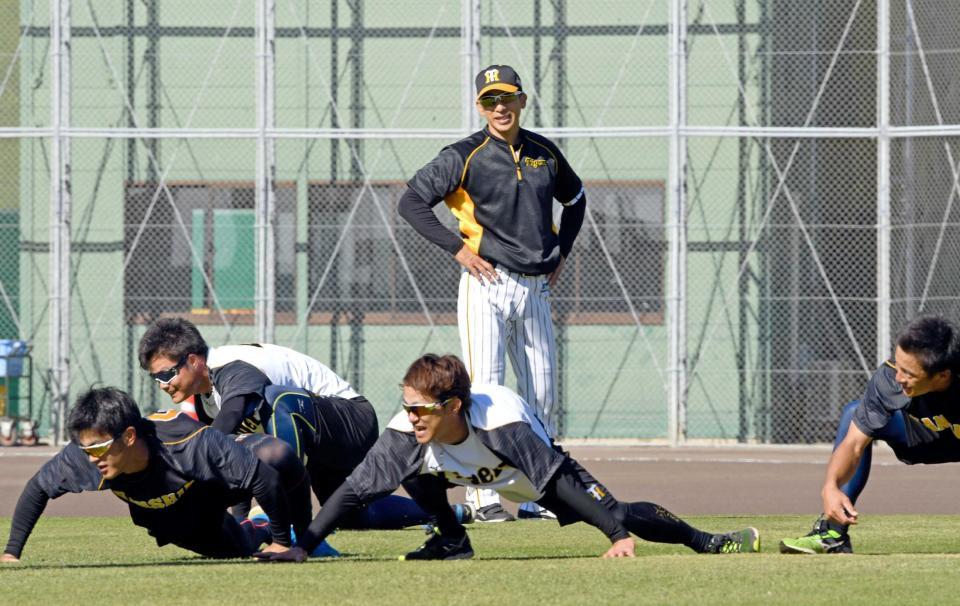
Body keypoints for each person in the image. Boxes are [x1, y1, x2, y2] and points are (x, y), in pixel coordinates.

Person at [255, 354, 760, 562]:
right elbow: (353, 492)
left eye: (418, 407)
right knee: (415, 472)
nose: (408, 415)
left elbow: (555, 483)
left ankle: (708, 541)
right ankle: (452, 542)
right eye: (404, 404)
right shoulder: (406, 431)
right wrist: (303, 544)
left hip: (533, 473)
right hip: (463, 466)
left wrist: (616, 535)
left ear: (452, 405)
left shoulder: (503, 422)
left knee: (616, 509)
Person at [398, 64, 587, 522]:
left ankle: (535, 495)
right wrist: (457, 250)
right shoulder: (465, 154)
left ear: (522, 100)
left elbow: (576, 199)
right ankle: (482, 497)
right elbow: (411, 202)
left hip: (535, 286)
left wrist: (561, 251)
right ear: (479, 106)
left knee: (541, 394)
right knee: (482, 389)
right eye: (489, 100)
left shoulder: (544, 152)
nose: (499, 107)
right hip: (486, 281)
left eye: (506, 98)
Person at [138, 318, 435, 531]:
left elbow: (230, 420)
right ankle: (446, 512)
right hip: (314, 439)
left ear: (193, 361)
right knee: (350, 516)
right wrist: (241, 519)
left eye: (166, 374)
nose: (162, 385)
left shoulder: (230, 366)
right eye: (155, 379)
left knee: (278, 399)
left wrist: (192, 453)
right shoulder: (205, 401)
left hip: (351, 420)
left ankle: (292, 524)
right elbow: (234, 454)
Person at [1, 387, 306, 563]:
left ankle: (304, 536)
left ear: (130, 436)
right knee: (237, 549)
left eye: (98, 447)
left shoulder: (186, 440)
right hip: (174, 520)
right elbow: (38, 487)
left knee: (275, 455)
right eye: (85, 449)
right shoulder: (85, 454)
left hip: (214, 485)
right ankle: (260, 522)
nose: (91, 457)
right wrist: (11, 553)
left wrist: (282, 544)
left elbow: (263, 476)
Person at [779, 315, 960, 554]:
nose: (898, 378)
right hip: (923, 437)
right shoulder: (889, 379)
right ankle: (832, 534)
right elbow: (854, 444)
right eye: (898, 365)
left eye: (909, 374)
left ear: (942, 375)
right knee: (854, 411)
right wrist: (830, 486)